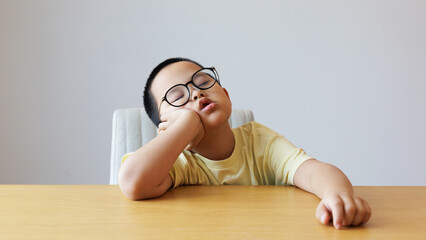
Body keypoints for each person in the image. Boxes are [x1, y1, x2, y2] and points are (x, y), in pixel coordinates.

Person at [118, 57, 372, 230]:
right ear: (164, 125)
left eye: (203, 81)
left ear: (226, 95)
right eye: (177, 97)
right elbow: (133, 182)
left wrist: (336, 194)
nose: (196, 92)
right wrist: (186, 125)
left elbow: (313, 170)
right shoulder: (178, 162)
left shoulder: (259, 141)